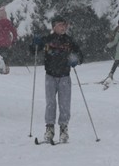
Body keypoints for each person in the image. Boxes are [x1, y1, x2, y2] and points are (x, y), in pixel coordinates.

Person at [32, 15, 82, 143]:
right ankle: (49, 129)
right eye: (60, 25)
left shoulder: (69, 41)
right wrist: (35, 43)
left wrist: (76, 59)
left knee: (64, 103)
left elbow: (80, 54)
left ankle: (64, 129)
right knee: (50, 103)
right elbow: (33, 51)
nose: (63, 27)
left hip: (65, 76)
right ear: (54, 27)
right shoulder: (47, 40)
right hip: (50, 76)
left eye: (64, 25)